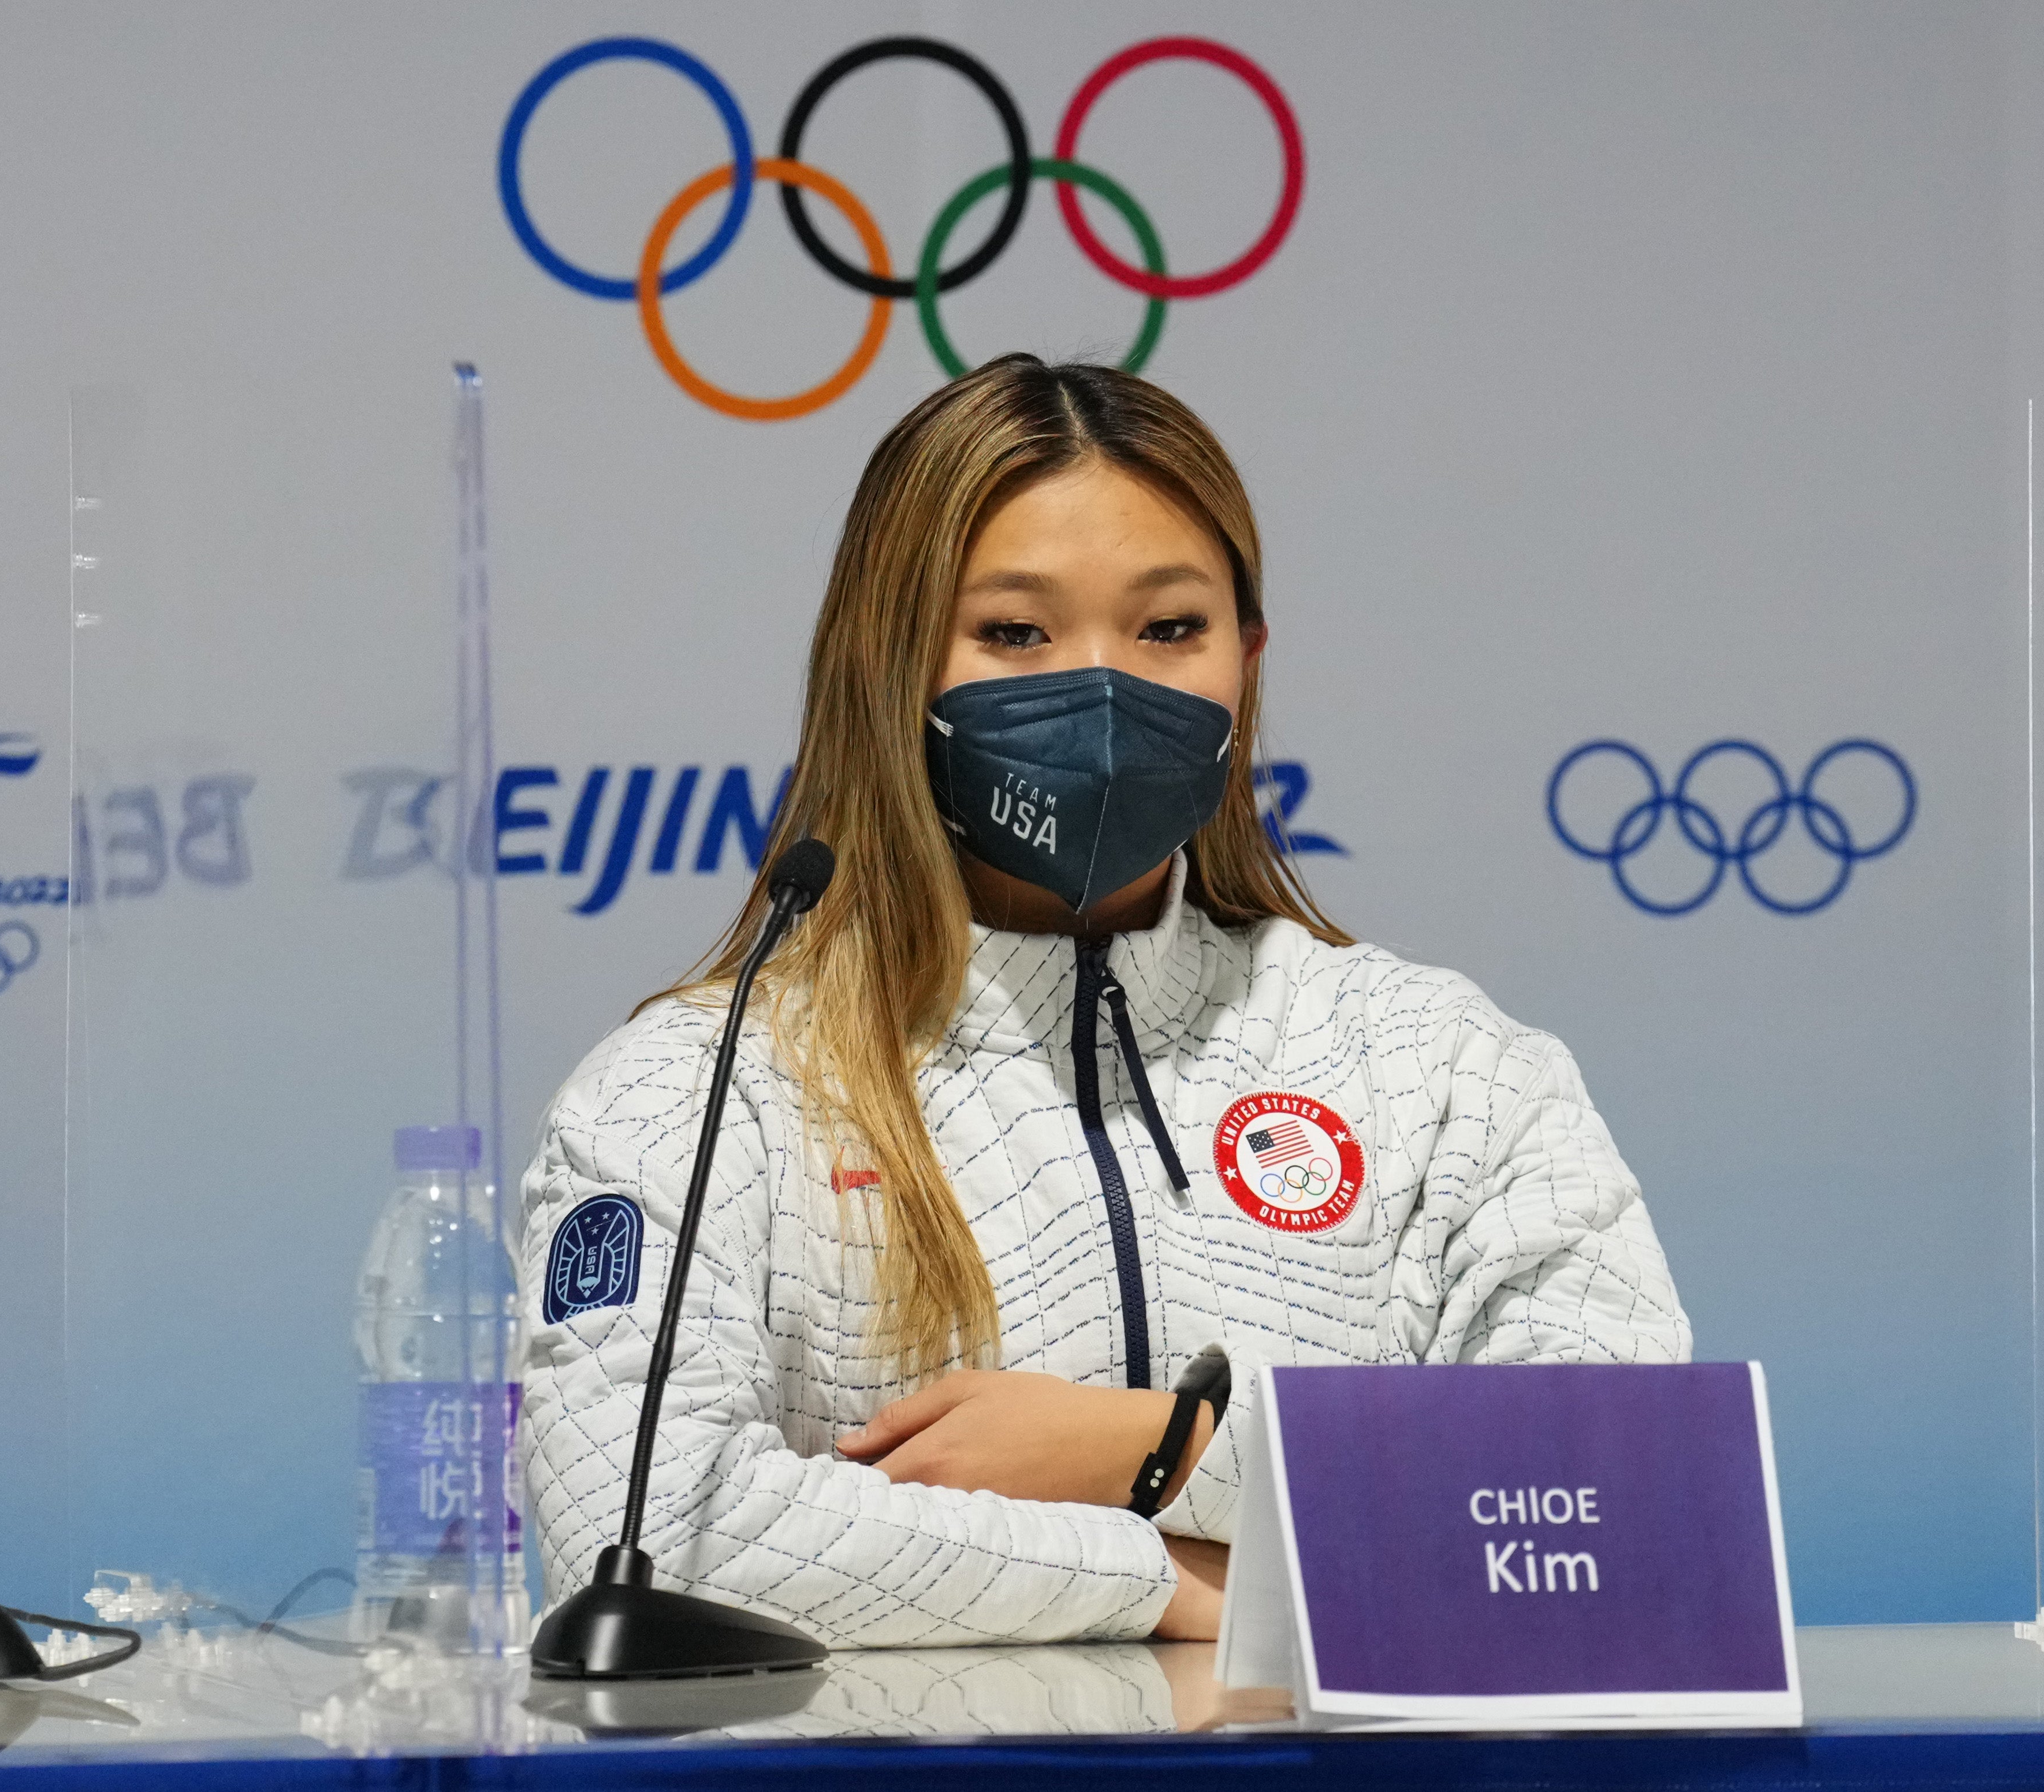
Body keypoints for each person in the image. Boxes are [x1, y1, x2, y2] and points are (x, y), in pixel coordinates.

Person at [519, 356, 1690, 1649]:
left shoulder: (1442, 1065)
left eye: (1169, 628)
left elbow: (1623, 1493)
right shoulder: (699, 1088)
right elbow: (634, 1539)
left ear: (1248, 657)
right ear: (892, 664)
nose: (1104, 689)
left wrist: (1156, 1449)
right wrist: (1179, 1586)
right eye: (1017, 632)